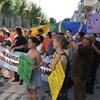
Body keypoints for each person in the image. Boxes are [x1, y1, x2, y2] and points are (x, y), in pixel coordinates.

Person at [69, 34, 93, 100]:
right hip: (76, 73)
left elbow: (76, 47)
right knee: (76, 90)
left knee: (80, 91)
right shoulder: (82, 46)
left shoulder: (88, 47)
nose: (82, 38)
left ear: (88, 41)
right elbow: (73, 46)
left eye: (84, 38)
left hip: (80, 74)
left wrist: (71, 39)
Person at [50, 35, 70, 100]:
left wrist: (58, 90)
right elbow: (52, 69)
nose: (52, 43)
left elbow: (62, 76)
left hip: (61, 86)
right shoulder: (55, 53)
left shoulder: (63, 57)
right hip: (55, 82)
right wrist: (54, 64)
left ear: (59, 43)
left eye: (54, 41)